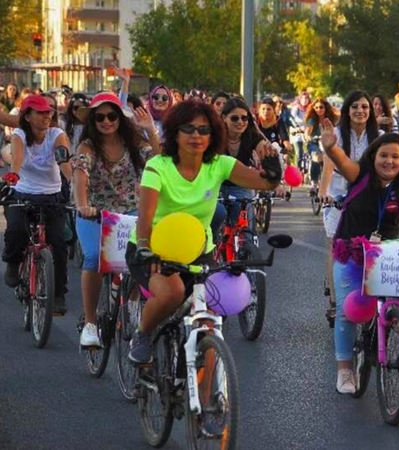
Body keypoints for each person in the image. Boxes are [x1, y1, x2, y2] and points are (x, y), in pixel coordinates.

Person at [126, 100, 280, 364]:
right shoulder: (158, 166)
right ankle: (142, 333)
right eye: (189, 129)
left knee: (209, 324)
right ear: (175, 132)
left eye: (204, 130)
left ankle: (208, 403)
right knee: (173, 292)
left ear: (213, 135)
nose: (196, 136)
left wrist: (272, 167)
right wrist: (144, 246)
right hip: (153, 248)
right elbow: (145, 218)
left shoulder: (219, 164)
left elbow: (264, 182)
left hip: (198, 250)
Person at [319, 126, 399, 393]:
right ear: (373, 157)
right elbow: (340, 160)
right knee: (346, 311)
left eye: (396, 157)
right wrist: (330, 147)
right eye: (384, 155)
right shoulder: (359, 174)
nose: (389, 161)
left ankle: (391, 323)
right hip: (350, 248)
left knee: (396, 298)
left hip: (386, 253)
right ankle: (345, 370)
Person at [71, 92, 160, 347]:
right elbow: (80, 174)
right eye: (100, 117)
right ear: (93, 121)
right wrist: (82, 205)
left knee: (140, 256)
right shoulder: (87, 145)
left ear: (120, 118)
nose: (106, 121)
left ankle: (132, 302)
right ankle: (90, 324)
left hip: (132, 211)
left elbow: (161, 162)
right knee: (93, 258)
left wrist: (151, 130)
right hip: (96, 214)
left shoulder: (136, 142)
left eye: (112, 115)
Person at [2, 95, 73, 314]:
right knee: (15, 231)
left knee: (59, 243)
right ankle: (14, 264)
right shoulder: (19, 134)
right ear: (27, 116)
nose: (46, 115)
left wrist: (75, 184)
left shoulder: (57, 134)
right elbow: (18, 159)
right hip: (22, 193)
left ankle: (58, 293)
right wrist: (11, 179)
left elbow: (63, 160)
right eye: (40, 112)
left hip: (51, 196)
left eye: (49, 112)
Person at [319, 91, 381, 313]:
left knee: (371, 248)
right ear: (347, 111)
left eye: (364, 106)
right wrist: (323, 191)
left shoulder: (379, 136)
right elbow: (328, 166)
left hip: (369, 200)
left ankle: (371, 298)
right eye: (354, 106)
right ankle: (336, 303)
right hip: (338, 197)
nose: (360, 111)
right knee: (337, 248)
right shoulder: (335, 134)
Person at [210, 97, 267, 236]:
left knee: (246, 231)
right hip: (216, 186)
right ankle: (211, 246)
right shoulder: (213, 136)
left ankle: (246, 253)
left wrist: (273, 180)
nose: (240, 122)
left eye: (244, 118)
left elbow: (264, 155)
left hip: (241, 187)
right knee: (218, 214)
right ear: (224, 118)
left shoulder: (252, 135)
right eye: (234, 118)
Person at [304, 98, 338, 189]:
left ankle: (330, 181)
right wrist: (309, 138)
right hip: (314, 143)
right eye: (316, 107)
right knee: (316, 157)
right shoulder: (312, 120)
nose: (319, 109)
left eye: (321, 107)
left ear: (325, 108)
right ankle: (314, 181)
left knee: (331, 158)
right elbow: (307, 133)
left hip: (327, 144)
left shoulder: (331, 119)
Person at [290, 92, 311, 169]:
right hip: (297, 134)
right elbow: (291, 119)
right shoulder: (296, 108)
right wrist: (297, 127)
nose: (304, 100)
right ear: (300, 99)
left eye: (306, 98)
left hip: (308, 133)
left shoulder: (310, 108)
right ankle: (297, 172)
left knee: (309, 153)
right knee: (299, 153)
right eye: (303, 98)